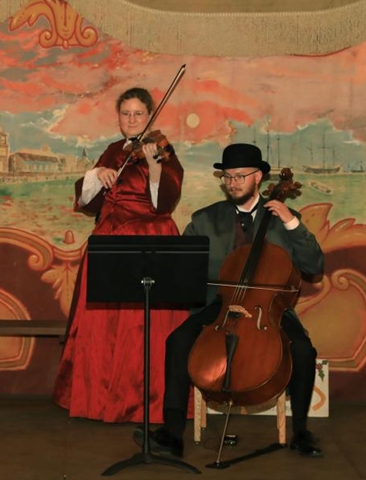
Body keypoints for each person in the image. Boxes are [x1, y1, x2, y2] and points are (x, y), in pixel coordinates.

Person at [140, 143, 325, 458]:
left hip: (269, 312)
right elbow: (183, 268)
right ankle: (172, 434)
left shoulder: (284, 217)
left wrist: (293, 224)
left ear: (258, 178)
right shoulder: (205, 219)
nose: (233, 183)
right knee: (178, 340)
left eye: (240, 176)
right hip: (218, 306)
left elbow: (314, 267)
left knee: (304, 350)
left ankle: (301, 431)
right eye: (227, 177)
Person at [53, 87, 185, 424]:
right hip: (109, 240)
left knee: (144, 326)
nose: (132, 120)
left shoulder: (162, 150)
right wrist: (98, 175)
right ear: (119, 118)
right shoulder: (113, 151)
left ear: (150, 116)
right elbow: (87, 201)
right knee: (104, 324)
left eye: (138, 114)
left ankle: (146, 404)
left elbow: (164, 204)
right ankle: (100, 399)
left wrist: (155, 168)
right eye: (126, 114)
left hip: (149, 241)